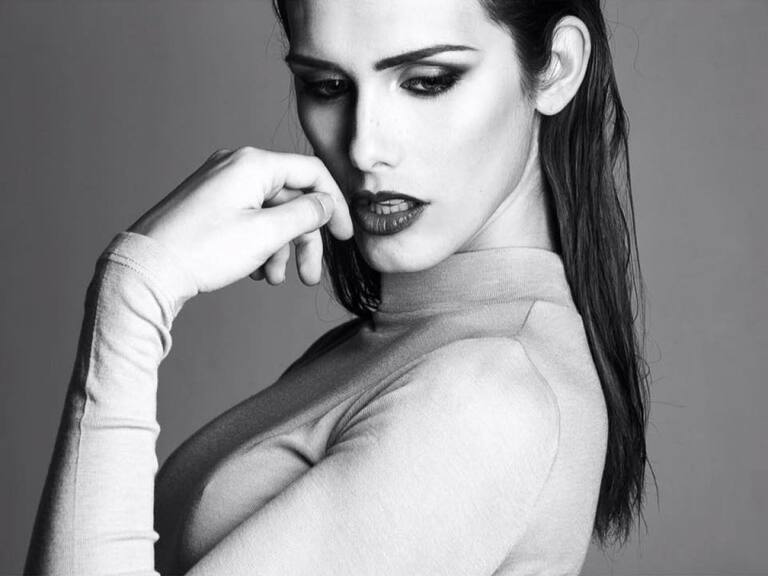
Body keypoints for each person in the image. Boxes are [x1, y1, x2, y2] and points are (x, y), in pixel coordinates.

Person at [24, 0, 652, 574]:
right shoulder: (413, 344)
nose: (363, 146)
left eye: (427, 81)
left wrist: (134, 294)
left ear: (557, 68)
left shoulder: (491, 398)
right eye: (326, 86)